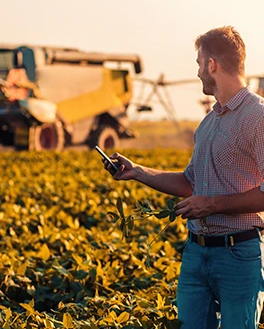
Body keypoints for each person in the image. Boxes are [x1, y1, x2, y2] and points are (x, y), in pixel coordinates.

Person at [103, 26, 264, 329]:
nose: (199, 72)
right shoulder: (208, 123)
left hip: (238, 254)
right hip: (196, 252)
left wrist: (212, 205)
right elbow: (191, 184)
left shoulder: (258, 116)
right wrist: (137, 171)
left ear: (212, 65)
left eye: (199, 63)